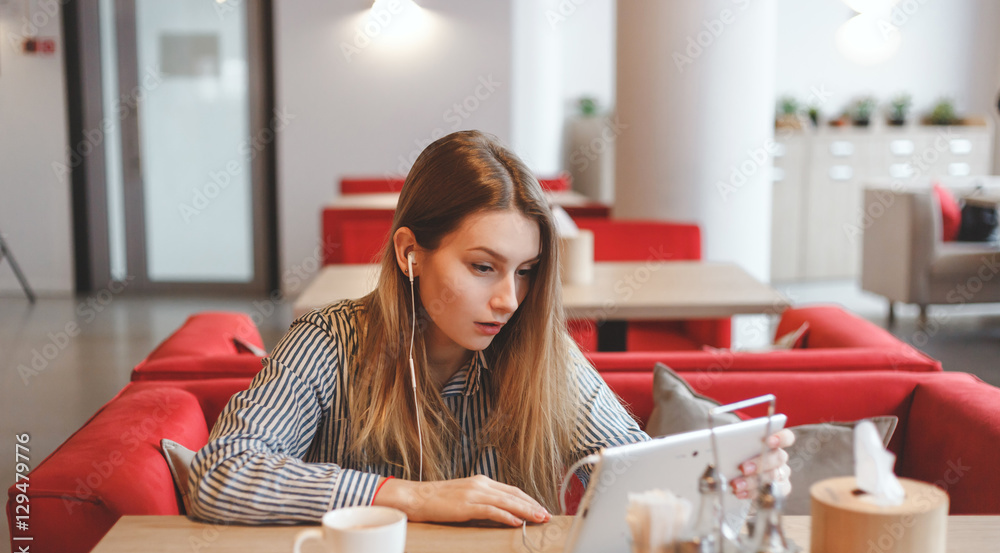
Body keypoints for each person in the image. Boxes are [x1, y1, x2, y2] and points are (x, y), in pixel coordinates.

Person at [189, 130, 791, 527]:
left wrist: (724, 478)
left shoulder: (540, 351)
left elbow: (632, 466)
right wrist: (411, 496)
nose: (508, 301)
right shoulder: (328, 342)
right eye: (483, 267)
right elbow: (219, 474)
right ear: (410, 252)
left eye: (525, 272)